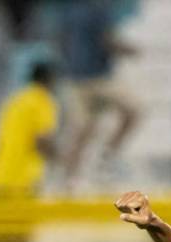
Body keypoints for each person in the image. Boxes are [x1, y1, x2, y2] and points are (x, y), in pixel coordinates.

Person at [60, 0, 141, 187]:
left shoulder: (73, 10)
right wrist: (129, 50)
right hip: (89, 80)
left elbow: (64, 42)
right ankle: (96, 162)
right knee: (131, 111)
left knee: (85, 128)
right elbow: (108, 40)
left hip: (85, 78)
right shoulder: (95, 10)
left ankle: (93, 165)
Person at [0, 61, 59, 196]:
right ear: (48, 79)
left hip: (0, 176)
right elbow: (42, 140)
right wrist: (60, 160)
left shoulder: (15, 100)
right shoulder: (42, 100)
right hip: (25, 180)